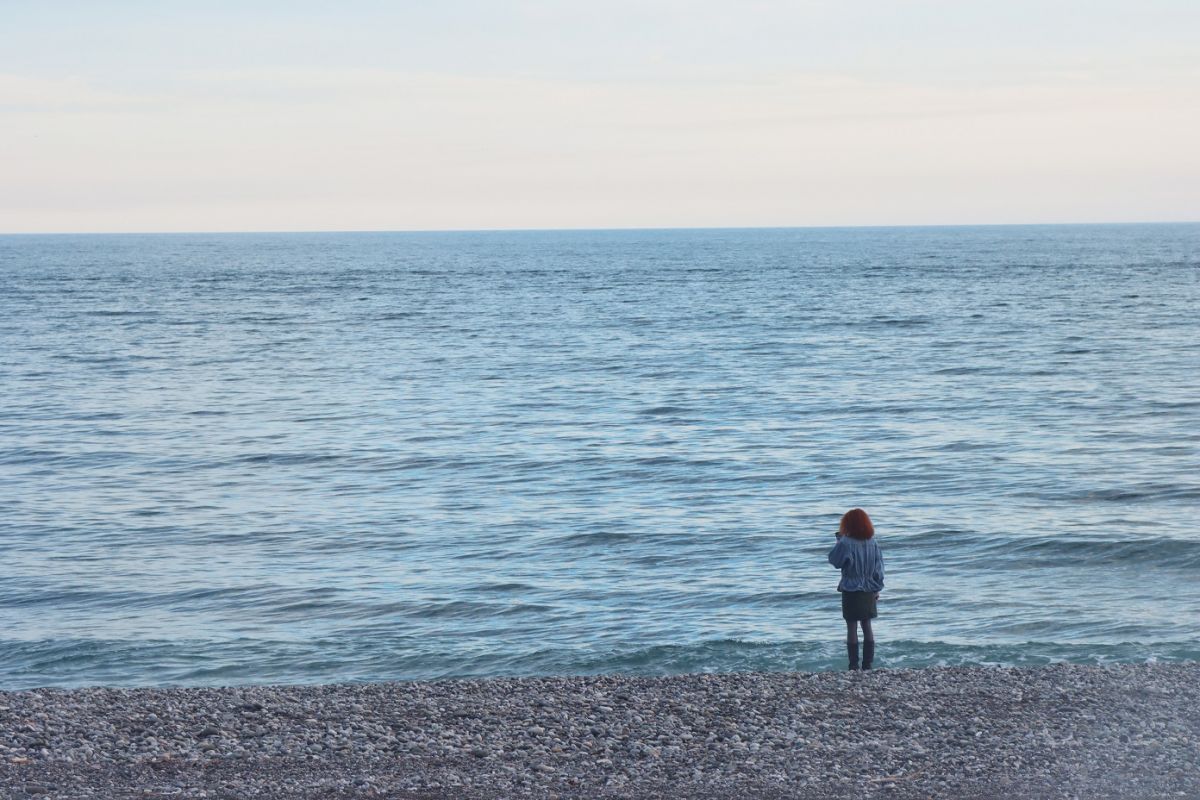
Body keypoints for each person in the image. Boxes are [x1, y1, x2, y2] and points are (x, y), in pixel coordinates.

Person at [827, 508, 884, 670]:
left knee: (851, 627)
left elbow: (835, 561)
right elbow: (879, 568)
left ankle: (853, 666)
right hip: (869, 588)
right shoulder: (873, 542)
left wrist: (839, 541)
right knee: (867, 625)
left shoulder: (845, 542)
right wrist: (877, 588)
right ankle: (867, 665)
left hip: (851, 588)